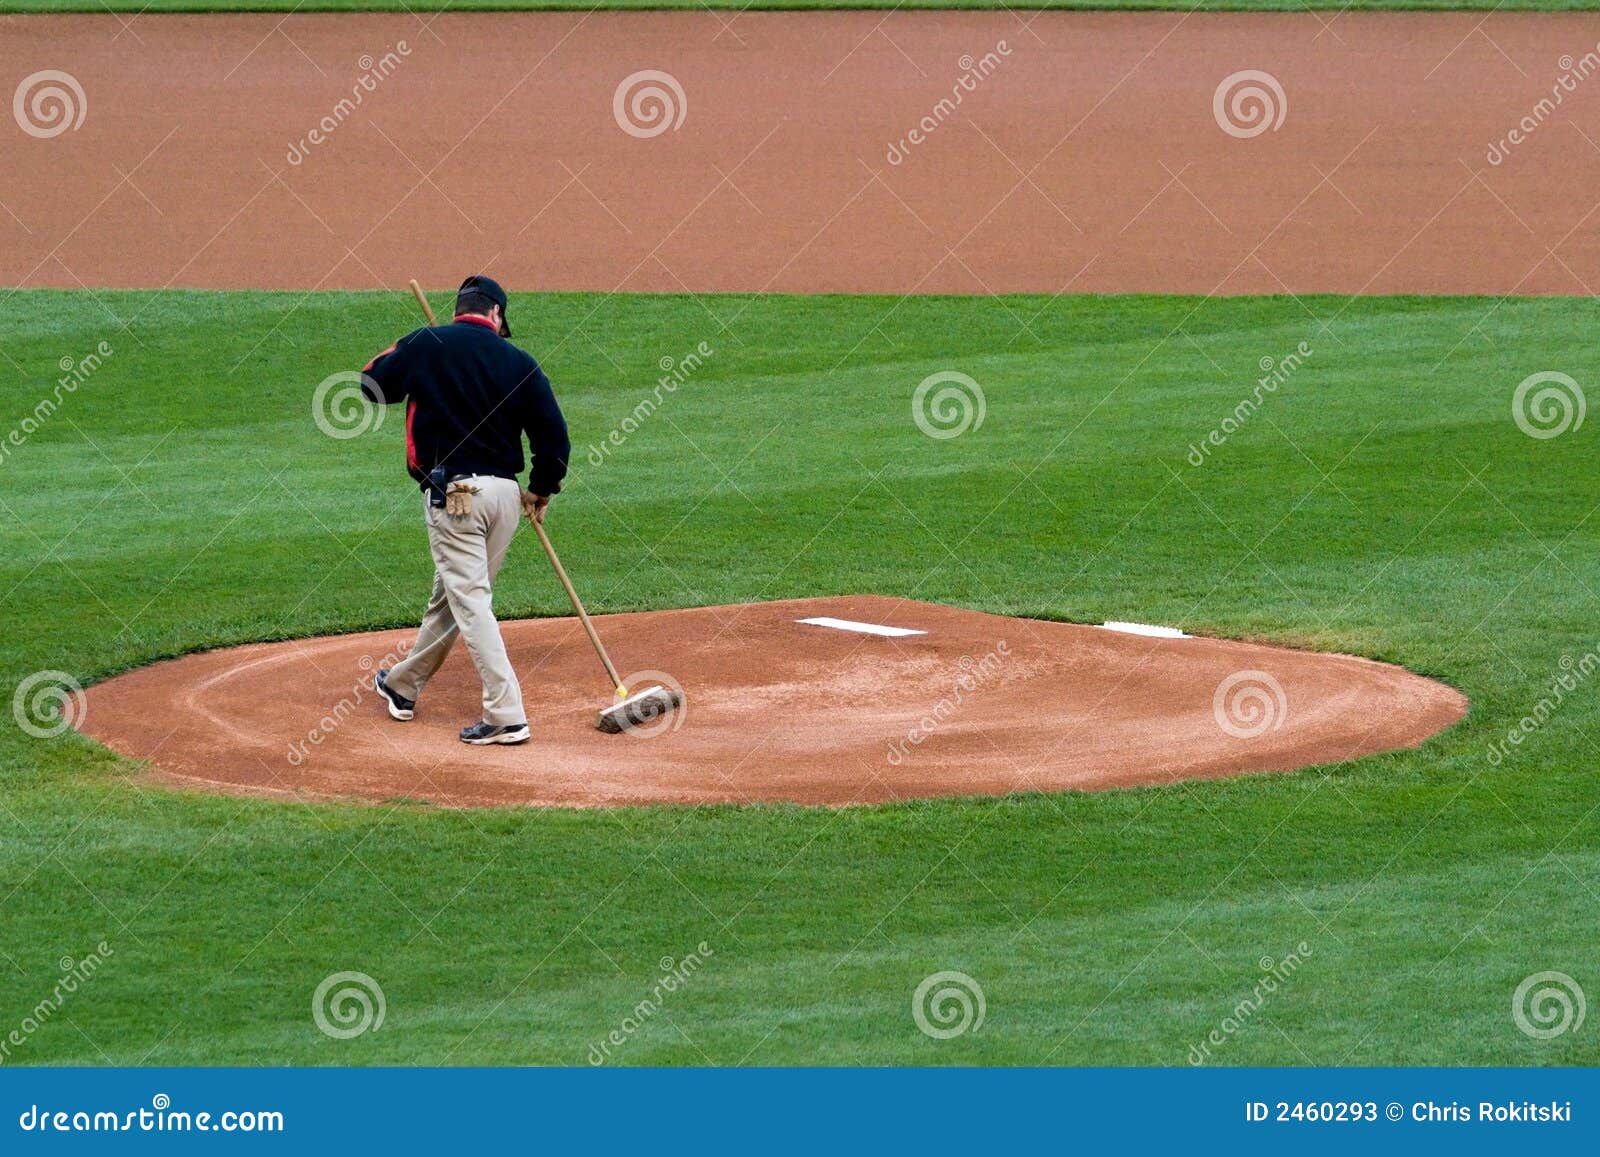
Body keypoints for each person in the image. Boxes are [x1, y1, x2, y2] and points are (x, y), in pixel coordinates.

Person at [360, 275, 569, 745]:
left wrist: (418, 361)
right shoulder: (520, 363)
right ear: (496, 315)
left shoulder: (427, 343)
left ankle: (505, 713)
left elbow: (370, 385)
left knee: (470, 600)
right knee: (453, 597)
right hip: (505, 499)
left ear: (460, 309)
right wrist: (541, 489)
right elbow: (554, 439)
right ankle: (403, 685)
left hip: (456, 498)